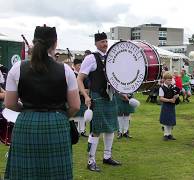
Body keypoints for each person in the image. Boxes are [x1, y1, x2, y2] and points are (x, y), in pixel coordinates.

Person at [4, 25, 80, 179]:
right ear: (55, 43)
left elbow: (10, 104)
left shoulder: (17, 68)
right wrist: (61, 116)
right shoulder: (66, 70)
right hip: (57, 125)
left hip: (26, 124)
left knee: (25, 174)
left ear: (33, 42)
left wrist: (25, 109)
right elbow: (75, 106)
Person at [77, 32, 121, 172]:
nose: (105, 44)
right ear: (96, 43)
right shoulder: (91, 58)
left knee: (110, 128)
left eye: (106, 41)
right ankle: (91, 160)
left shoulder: (111, 57)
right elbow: (79, 79)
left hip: (110, 97)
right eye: (102, 41)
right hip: (97, 97)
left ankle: (107, 157)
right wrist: (85, 95)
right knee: (96, 130)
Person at [70, 58, 89, 137]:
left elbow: (88, 88)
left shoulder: (84, 76)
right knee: (76, 115)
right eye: (78, 65)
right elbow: (71, 88)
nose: (80, 67)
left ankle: (82, 130)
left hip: (83, 98)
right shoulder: (72, 75)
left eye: (81, 65)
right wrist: (80, 91)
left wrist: (83, 91)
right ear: (74, 65)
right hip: (75, 98)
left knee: (82, 115)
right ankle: (77, 131)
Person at [159, 72, 179, 141]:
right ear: (164, 80)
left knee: (171, 121)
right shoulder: (162, 88)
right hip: (166, 105)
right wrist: (170, 100)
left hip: (172, 106)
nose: (170, 81)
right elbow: (161, 98)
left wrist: (176, 97)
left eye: (170, 80)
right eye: (168, 80)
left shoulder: (173, 87)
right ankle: (165, 134)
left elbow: (177, 94)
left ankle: (169, 134)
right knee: (166, 120)